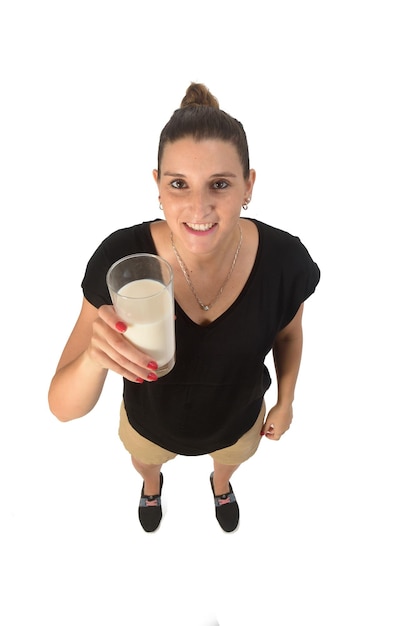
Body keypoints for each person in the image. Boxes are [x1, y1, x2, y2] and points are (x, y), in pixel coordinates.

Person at [48, 82, 320, 533]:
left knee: (231, 461)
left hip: (240, 421)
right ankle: (152, 487)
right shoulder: (121, 258)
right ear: (157, 185)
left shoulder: (284, 260)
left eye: (220, 184)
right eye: (179, 184)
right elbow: (62, 407)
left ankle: (221, 483)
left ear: (248, 185)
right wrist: (97, 357)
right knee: (146, 462)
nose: (199, 208)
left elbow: (288, 333)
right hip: (149, 424)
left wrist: (286, 401)